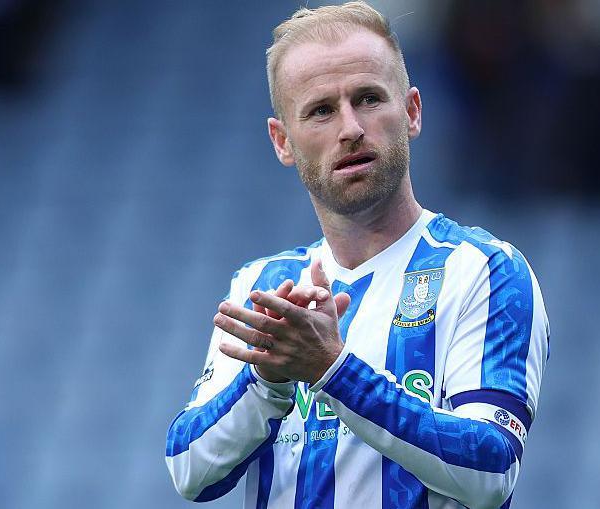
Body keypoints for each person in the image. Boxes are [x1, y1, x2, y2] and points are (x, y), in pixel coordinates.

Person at [165, 2, 549, 508]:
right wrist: (266, 379)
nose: (350, 128)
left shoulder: (484, 271)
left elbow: (491, 469)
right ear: (282, 142)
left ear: (411, 112)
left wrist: (333, 370)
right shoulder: (261, 286)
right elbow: (189, 470)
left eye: (368, 99)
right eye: (321, 110)